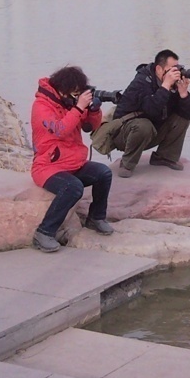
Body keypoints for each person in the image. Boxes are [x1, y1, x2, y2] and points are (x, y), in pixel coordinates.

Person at [30, 66, 114, 252]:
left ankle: (96, 218)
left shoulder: (69, 103)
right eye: (74, 93)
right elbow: (60, 129)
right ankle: (44, 232)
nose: (76, 97)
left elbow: (89, 127)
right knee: (72, 187)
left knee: (103, 173)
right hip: (47, 166)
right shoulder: (41, 106)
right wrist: (79, 107)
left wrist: (93, 110)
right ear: (62, 90)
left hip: (73, 162)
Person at [109, 49, 190, 177]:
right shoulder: (141, 82)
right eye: (172, 69)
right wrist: (166, 86)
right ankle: (127, 163)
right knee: (143, 125)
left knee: (182, 117)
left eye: (177, 68)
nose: (175, 73)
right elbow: (151, 111)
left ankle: (165, 157)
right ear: (159, 69)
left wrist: (184, 94)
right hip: (124, 135)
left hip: (151, 132)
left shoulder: (171, 85)